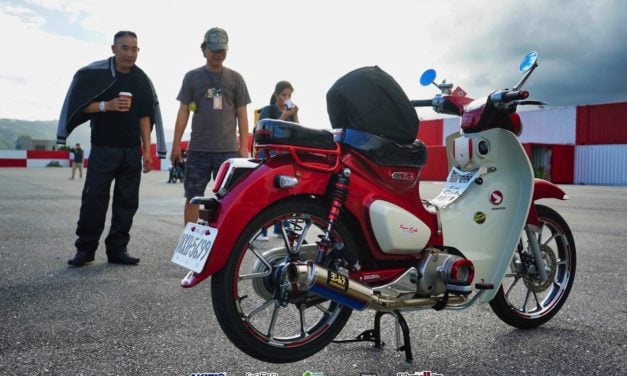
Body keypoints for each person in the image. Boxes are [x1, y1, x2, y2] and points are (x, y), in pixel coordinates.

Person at [57, 30, 167, 267]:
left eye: (134, 48)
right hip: (103, 148)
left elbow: (145, 117)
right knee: (94, 199)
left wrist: (147, 151)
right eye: (125, 48)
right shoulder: (97, 74)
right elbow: (80, 106)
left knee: (127, 201)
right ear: (113, 49)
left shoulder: (141, 79)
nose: (130, 53)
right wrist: (107, 105)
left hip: (131, 150)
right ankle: (85, 249)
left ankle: (118, 248)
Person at [171, 27, 251, 225]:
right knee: (192, 197)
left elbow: (242, 113)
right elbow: (183, 111)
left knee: (229, 199)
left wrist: (243, 147)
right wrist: (176, 144)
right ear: (204, 49)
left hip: (228, 151)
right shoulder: (192, 77)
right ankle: (189, 242)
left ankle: (221, 242)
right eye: (214, 49)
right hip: (198, 149)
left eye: (222, 50)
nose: (218, 54)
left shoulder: (236, 78)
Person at [256, 81, 299, 240]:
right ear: (276, 95)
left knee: (285, 192)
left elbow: (297, 131)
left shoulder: (289, 112)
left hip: (284, 156)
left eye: (289, 95)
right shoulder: (269, 110)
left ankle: (281, 229)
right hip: (268, 155)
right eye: (284, 95)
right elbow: (267, 132)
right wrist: (284, 116)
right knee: (267, 192)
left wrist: (294, 114)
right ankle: (262, 230)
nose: (287, 98)